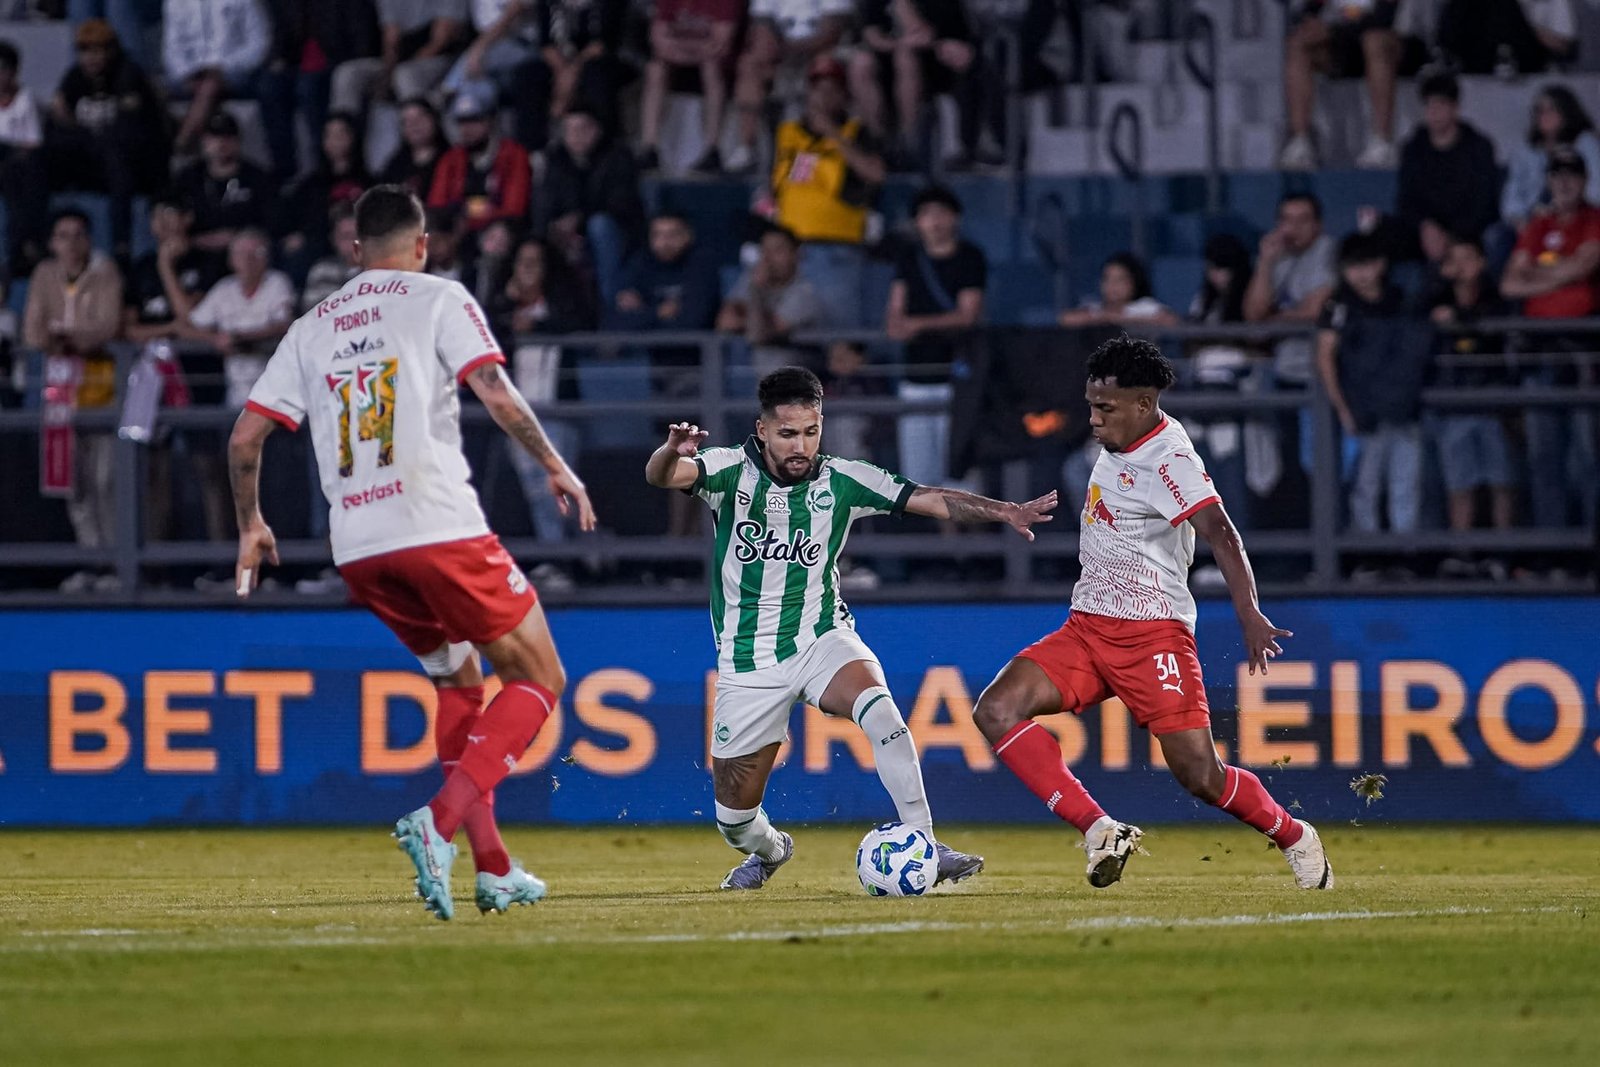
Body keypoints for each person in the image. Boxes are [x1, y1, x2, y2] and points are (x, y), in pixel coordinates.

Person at [228, 184, 596, 920]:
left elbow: (245, 437)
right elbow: (493, 389)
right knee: (540, 674)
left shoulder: (311, 324)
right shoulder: (437, 295)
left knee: (459, 682)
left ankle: (492, 866)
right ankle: (440, 820)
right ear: (422, 244)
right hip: (436, 523)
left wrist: (251, 524)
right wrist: (555, 462)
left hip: (359, 546)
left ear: (354, 250)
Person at [644, 365, 1050, 888]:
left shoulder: (843, 479)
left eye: (811, 432)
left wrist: (1005, 511)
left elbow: (928, 498)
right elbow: (663, 476)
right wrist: (670, 450)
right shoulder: (727, 471)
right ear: (763, 429)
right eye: (788, 433)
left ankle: (924, 842)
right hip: (748, 659)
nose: (801, 445)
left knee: (884, 714)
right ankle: (769, 852)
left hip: (822, 639)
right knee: (734, 819)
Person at [971, 335, 1332, 891]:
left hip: (1152, 638)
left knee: (1200, 775)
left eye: (1104, 408)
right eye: (1091, 404)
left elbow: (1222, 534)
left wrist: (1250, 614)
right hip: (1088, 628)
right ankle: (1099, 831)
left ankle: (1294, 835)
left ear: (1144, 404)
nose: (1092, 419)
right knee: (996, 709)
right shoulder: (1122, 436)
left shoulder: (1170, 460)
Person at [25, 210, 125, 593]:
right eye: (62, 235)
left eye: (78, 235)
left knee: (105, 481)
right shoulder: (44, 275)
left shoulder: (105, 273)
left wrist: (67, 338)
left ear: (88, 240)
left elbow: (107, 325)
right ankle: (92, 563)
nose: (70, 243)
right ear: (52, 242)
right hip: (59, 395)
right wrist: (63, 339)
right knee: (74, 486)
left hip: (100, 393)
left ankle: (117, 565)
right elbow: (33, 331)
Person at [1500, 146, 1600, 530]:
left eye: (1572, 175)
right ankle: (1552, 549)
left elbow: (1588, 262)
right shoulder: (1538, 226)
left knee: (1587, 456)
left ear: (1584, 180)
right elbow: (1509, 284)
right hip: (1541, 351)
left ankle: (1588, 546)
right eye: (1557, 175)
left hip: (1582, 351)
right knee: (1543, 455)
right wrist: (1564, 274)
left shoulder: (1593, 219)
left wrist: (1538, 279)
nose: (1564, 183)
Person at [1315, 232, 1430, 535]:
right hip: (1362, 413)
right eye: (1353, 267)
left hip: (1403, 410)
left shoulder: (1403, 301)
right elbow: (1325, 357)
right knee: (1365, 485)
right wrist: (1342, 408)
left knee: (1405, 484)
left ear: (1381, 264)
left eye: (1367, 264)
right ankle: (1367, 556)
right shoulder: (1338, 307)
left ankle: (1405, 554)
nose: (1361, 275)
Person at [770, 56, 886, 328]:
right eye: (817, 89)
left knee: (839, 336)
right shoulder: (787, 133)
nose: (823, 97)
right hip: (790, 252)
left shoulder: (857, 132)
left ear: (844, 96)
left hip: (837, 249)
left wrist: (832, 133)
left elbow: (875, 174)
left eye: (832, 90)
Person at [885, 184, 985, 491]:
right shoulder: (908, 259)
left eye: (942, 213)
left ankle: (973, 540)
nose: (935, 222)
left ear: (955, 218)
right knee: (921, 482)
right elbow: (895, 311)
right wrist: (898, 325)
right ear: (917, 222)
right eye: (927, 215)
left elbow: (967, 314)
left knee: (960, 476)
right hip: (915, 378)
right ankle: (947, 539)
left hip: (957, 378)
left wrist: (917, 325)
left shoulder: (970, 257)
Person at [45, 17, 169, 261]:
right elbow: (57, 123)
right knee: (39, 158)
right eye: (84, 51)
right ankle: (40, 242)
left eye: (97, 50)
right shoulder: (76, 77)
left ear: (111, 50)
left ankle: (121, 245)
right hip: (93, 159)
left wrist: (79, 132)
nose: (90, 58)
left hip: (137, 167)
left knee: (116, 157)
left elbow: (128, 132)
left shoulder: (128, 75)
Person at [1429, 235, 1515, 553]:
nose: (1462, 267)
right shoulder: (1433, 301)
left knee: (1501, 482)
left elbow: (1500, 333)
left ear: (1482, 262)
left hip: (1494, 405)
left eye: (1469, 258)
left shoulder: (1497, 299)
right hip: (1453, 407)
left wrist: (1461, 321)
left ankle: (1504, 554)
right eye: (1455, 260)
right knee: (1459, 485)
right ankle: (1462, 556)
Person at [537, 106, 645, 308]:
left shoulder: (617, 156)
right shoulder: (556, 158)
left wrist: (579, 219)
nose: (576, 136)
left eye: (582, 129)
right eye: (569, 130)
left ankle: (610, 307)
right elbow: (546, 200)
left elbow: (621, 204)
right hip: (571, 235)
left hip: (619, 233)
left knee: (599, 226)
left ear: (596, 130)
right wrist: (554, 226)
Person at [1280, 0, 1406, 170]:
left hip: (1392, 42)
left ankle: (1382, 142)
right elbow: (1308, 11)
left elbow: (1383, 19)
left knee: (1374, 40)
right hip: (1342, 45)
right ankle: (1300, 143)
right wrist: (1309, 23)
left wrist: (1331, 31)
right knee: (1298, 43)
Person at [728, 0, 851, 173]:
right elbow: (762, 28)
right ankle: (747, 148)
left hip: (822, 49)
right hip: (781, 52)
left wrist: (794, 50)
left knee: (824, 66)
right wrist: (777, 51)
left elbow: (831, 31)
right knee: (749, 65)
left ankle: (819, 145)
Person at [1395, 71, 1500, 265]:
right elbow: (1406, 201)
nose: (1434, 112)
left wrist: (1451, 236)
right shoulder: (1413, 148)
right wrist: (1426, 226)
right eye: (1429, 105)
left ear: (1455, 107)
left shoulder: (1478, 147)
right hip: (1423, 234)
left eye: (1441, 104)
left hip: (1467, 232)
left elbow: (1484, 203)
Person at [637, 0, 743, 175]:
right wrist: (692, 51)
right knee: (655, 70)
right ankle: (650, 148)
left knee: (711, 69)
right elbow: (658, 40)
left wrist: (681, 49)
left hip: (712, 62)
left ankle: (712, 149)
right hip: (683, 57)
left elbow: (721, 43)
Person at [717, 223, 826, 380]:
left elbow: (759, 335)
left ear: (796, 254)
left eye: (777, 250)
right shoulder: (750, 279)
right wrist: (759, 317)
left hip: (792, 380)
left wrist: (755, 293)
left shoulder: (805, 292)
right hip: (753, 374)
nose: (768, 259)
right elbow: (725, 322)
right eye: (764, 250)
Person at [329, 0, 467, 120]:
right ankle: (341, 139)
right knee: (348, 73)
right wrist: (387, 74)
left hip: (445, 60)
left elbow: (441, 39)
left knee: (405, 74)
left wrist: (396, 72)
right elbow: (391, 38)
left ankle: (418, 136)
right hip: (401, 59)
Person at [427, 84, 531, 239]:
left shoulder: (514, 154)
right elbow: (436, 204)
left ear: (490, 120)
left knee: (498, 237)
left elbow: (514, 209)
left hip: (499, 233)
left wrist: (466, 210)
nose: (466, 129)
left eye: (473, 120)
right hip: (455, 232)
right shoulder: (451, 159)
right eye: (461, 122)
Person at [170, 111, 275, 253]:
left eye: (228, 137)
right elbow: (169, 209)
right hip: (197, 253)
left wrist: (238, 237)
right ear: (204, 141)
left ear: (238, 141)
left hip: (244, 254)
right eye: (214, 137)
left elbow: (271, 224)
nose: (221, 143)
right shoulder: (189, 177)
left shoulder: (257, 178)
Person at [1501, 85, 1600, 229]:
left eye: (1551, 110)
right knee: (1496, 235)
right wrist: (1519, 219)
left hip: (1576, 214)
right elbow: (1512, 193)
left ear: (1566, 112)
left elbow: (1596, 187)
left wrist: (1563, 209)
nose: (1544, 116)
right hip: (1533, 218)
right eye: (1540, 111)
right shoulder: (1526, 150)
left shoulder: (1585, 143)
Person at [0, 38, 47, 273]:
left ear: (14, 71)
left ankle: (21, 246)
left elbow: (33, 143)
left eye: (2, 69)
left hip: (16, 166)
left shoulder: (26, 100)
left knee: (17, 170)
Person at [1059, 252, 1178, 327]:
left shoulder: (1145, 306)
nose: (1112, 285)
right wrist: (1102, 317)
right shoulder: (1096, 309)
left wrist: (1118, 319)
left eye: (1120, 280)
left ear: (1134, 283)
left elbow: (1170, 321)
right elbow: (1066, 319)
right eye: (1107, 279)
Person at [378, 97, 449, 198]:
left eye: (420, 117)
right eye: (406, 121)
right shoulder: (394, 166)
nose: (414, 124)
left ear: (434, 120)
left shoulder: (453, 159)